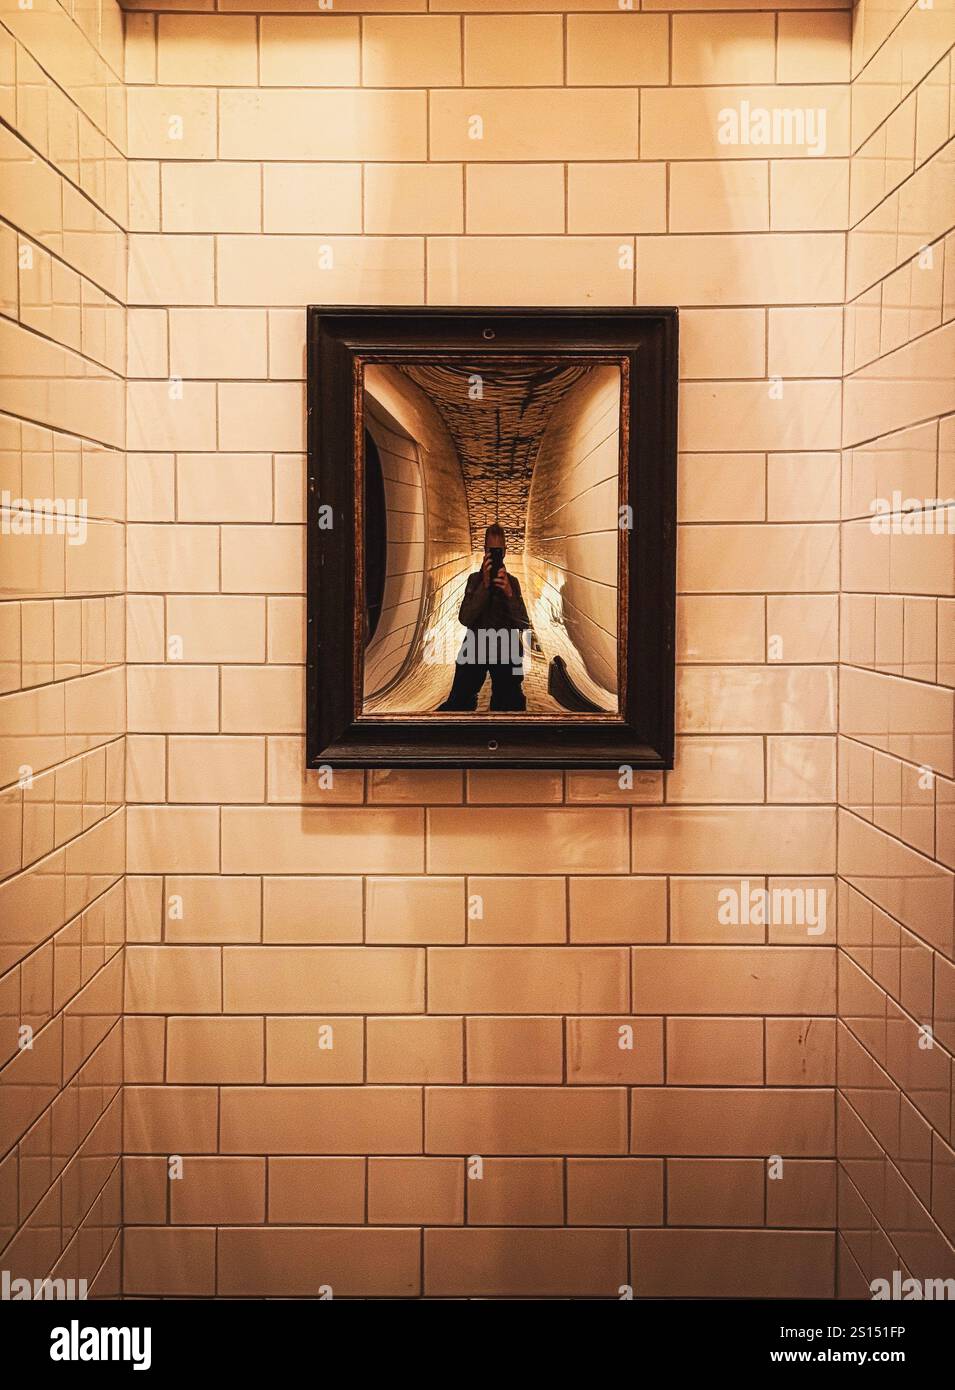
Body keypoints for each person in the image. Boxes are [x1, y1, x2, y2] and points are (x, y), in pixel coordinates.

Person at [437, 524, 530, 712]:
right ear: (485, 551)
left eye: (498, 550)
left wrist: (510, 594)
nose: (495, 554)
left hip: (506, 646)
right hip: (476, 645)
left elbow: (523, 622)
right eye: (491, 550)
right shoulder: (474, 580)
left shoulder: (512, 582)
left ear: (504, 551)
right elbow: (465, 618)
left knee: (510, 703)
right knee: (459, 701)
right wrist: (484, 586)